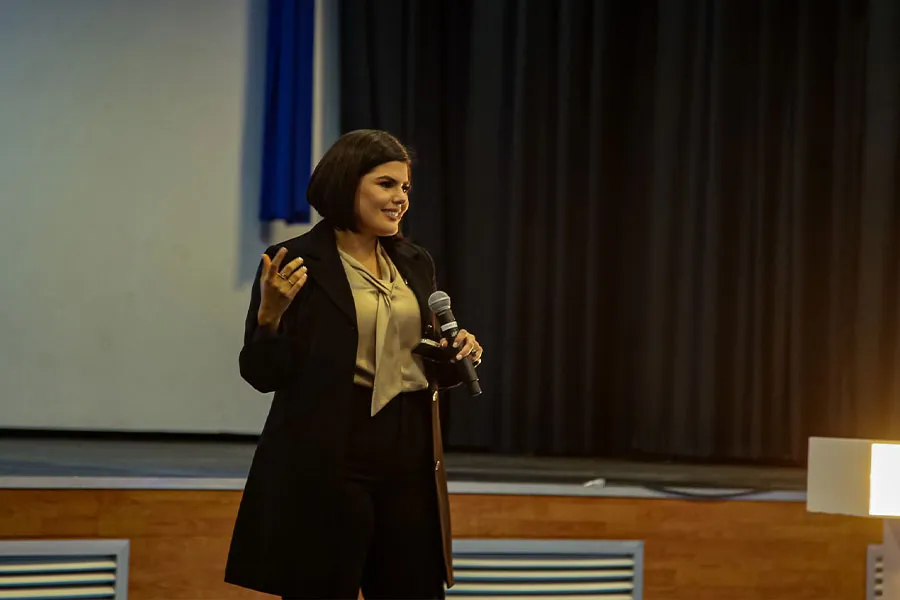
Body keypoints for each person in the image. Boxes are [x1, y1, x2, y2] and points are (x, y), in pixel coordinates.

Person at [224, 129, 483, 600]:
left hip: (409, 450)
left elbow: (416, 357)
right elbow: (263, 375)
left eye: (405, 187)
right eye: (386, 184)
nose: (400, 198)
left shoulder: (413, 261)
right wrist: (270, 317)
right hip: (332, 453)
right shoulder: (296, 261)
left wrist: (454, 350)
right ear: (347, 184)